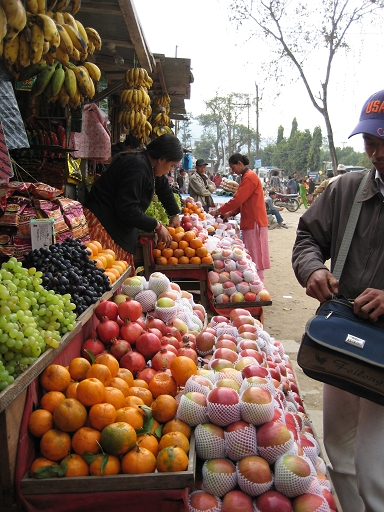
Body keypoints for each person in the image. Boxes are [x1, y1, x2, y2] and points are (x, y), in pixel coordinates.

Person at [292, 88, 384, 512]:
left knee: (375, 467)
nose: (375, 152)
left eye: (383, 143)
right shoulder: (346, 188)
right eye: (369, 142)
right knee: (339, 449)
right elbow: (308, 236)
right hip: (342, 339)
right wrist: (312, 269)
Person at [83, 134, 183, 268]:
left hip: (116, 223)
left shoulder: (150, 165)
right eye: (172, 166)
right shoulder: (138, 167)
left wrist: (174, 214)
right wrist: (157, 225)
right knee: (106, 272)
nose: (170, 170)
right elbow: (126, 208)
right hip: (103, 222)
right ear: (161, 159)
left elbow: (163, 187)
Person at [213, 153, 270, 282]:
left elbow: (238, 199)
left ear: (239, 163)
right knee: (252, 254)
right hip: (251, 220)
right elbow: (244, 201)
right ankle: (255, 282)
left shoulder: (249, 177)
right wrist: (230, 213)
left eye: (233, 168)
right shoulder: (246, 177)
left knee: (256, 256)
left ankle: (258, 284)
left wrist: (218, 211)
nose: (233, 171)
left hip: (255, 221)